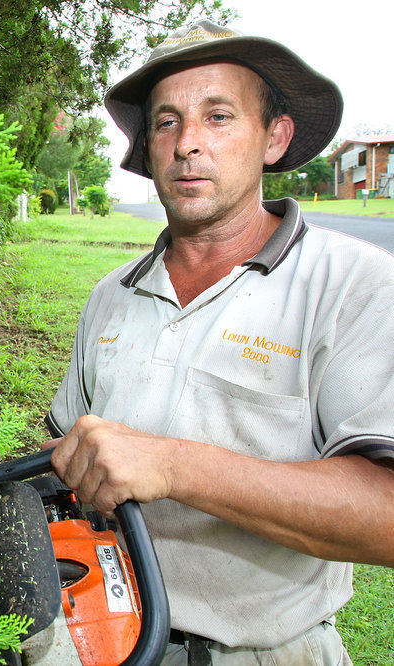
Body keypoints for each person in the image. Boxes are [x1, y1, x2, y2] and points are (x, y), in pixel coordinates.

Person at [42, 20, 394, 665]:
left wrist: (175, 467)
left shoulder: (357, 285)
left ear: (274, 137)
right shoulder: (111, 295)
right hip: (103, 638)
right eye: (167, 122)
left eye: (219, 116)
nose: (188, 144)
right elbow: (67, 462)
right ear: (149, 147)